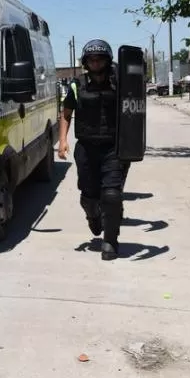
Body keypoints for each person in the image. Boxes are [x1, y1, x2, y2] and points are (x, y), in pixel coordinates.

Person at [57, 40, 127, 261]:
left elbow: (136, 107)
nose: (96, 63)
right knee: (89, 197)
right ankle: (93, 216)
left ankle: (110, 241)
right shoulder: (77, 85)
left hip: (113, 147)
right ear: (86, 62)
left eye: (100, 59)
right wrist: (62, 141)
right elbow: (66, 113)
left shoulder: (120, 84)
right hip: (86, 148)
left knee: (112, 195)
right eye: (91, 60)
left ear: (108, 61)